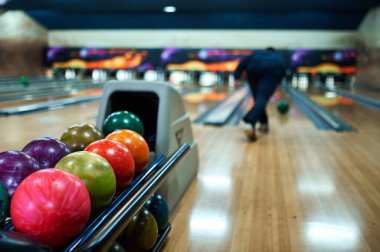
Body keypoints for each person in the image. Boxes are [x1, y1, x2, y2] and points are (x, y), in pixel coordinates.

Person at [233, 47, 286, 142]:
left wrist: (236, 77)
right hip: (271, 71)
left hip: (253, 70)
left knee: (259, 99)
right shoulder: (278, 58)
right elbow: (282, 71)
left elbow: (243, 61)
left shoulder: (256, 54)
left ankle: (264, 124)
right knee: (262, 98)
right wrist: (276, 84)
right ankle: (249, 121)